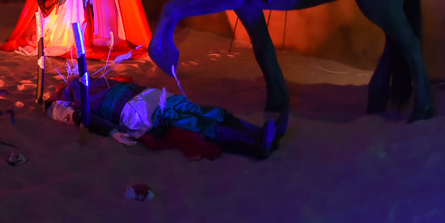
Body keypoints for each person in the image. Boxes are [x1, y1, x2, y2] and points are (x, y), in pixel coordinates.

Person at [49, 78, 285, 159]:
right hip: (139, 111)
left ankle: (259, 132)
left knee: (210, 112)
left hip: (152, 97)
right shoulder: (70, 103)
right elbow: (87, 119)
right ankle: (255, 145)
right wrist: (112, 132)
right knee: (196, 125)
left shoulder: (89, 80)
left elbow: (126, 82)